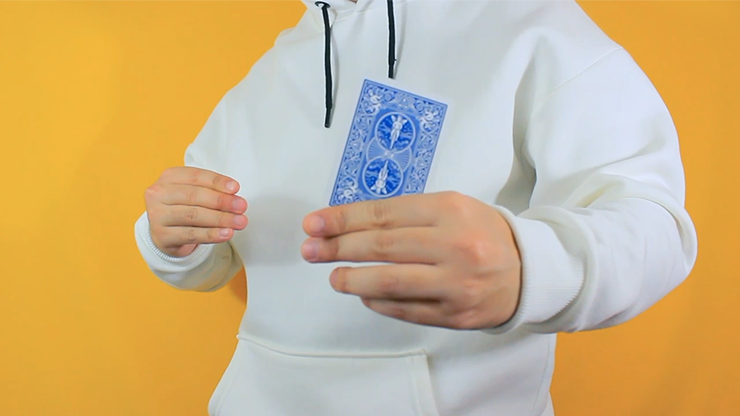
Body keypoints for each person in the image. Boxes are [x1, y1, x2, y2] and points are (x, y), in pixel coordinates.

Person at [134, 0, 698, 415]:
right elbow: (209, 256)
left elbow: (655, 224)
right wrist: (169, 241)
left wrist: (532, 268)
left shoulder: (534, 26)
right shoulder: (269, 74)